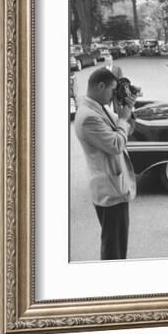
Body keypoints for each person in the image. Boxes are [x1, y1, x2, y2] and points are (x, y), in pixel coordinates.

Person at [74, 67, 137, 260]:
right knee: (113, 250)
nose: (112, 96)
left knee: (117, 244)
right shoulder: (89, 118)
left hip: (114, 186)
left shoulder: (98, 107)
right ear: (101, 86)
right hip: (110, 191)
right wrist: (124, 118)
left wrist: (127, 109)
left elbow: (126, 130)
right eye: (112, 90)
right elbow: (117, 144)